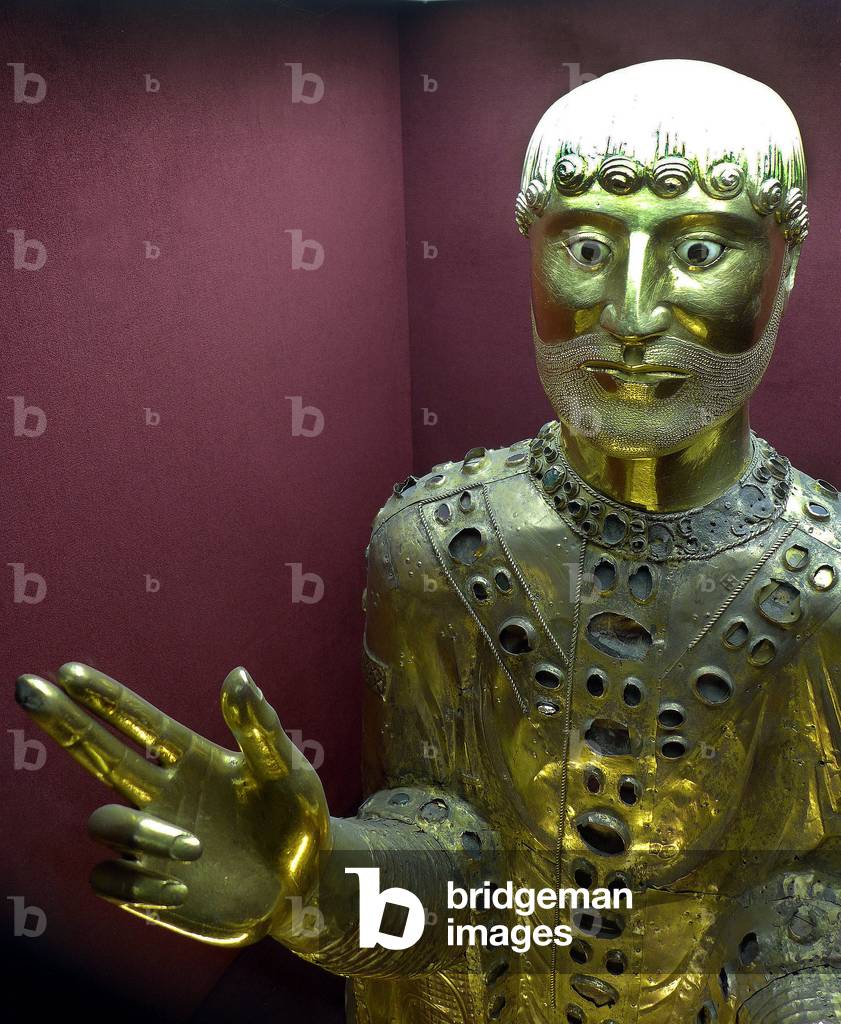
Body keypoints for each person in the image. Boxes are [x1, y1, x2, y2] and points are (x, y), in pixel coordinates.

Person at [16, 60, 841, 1023]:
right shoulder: (439, 545)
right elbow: (452, 859)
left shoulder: (821, 575)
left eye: (698, 251)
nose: (628, 315)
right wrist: (320, 886)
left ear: (783, 268)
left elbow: (801, 897)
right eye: (584, 248)